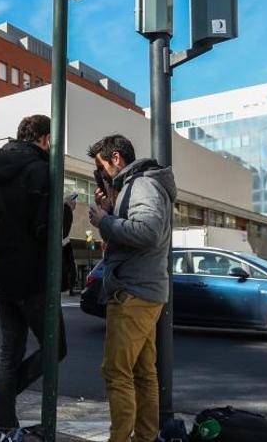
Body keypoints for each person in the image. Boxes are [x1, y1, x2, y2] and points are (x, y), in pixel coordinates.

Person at [0, 115, 71, 441]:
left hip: (3, 275)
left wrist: (1, 247)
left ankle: (6, 427)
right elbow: (47, 228)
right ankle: (1, 402)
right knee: (55, 348)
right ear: (43, 138)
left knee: (10, 349)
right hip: (34, 276)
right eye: (51, 140)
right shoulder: (41, 171)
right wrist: (64, 209)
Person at [87, 135, 176, 442]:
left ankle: (121, 439)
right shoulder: (135, 186)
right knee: (142, 372)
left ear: (115, 158)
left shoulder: (142, 185)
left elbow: (147, 232)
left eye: (101, 165)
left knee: (116, 372)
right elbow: (135, 234)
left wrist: (104, 221)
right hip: (143, 289)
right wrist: (111, 211)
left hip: (134, 292)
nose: (101, 173)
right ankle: (145, 437)